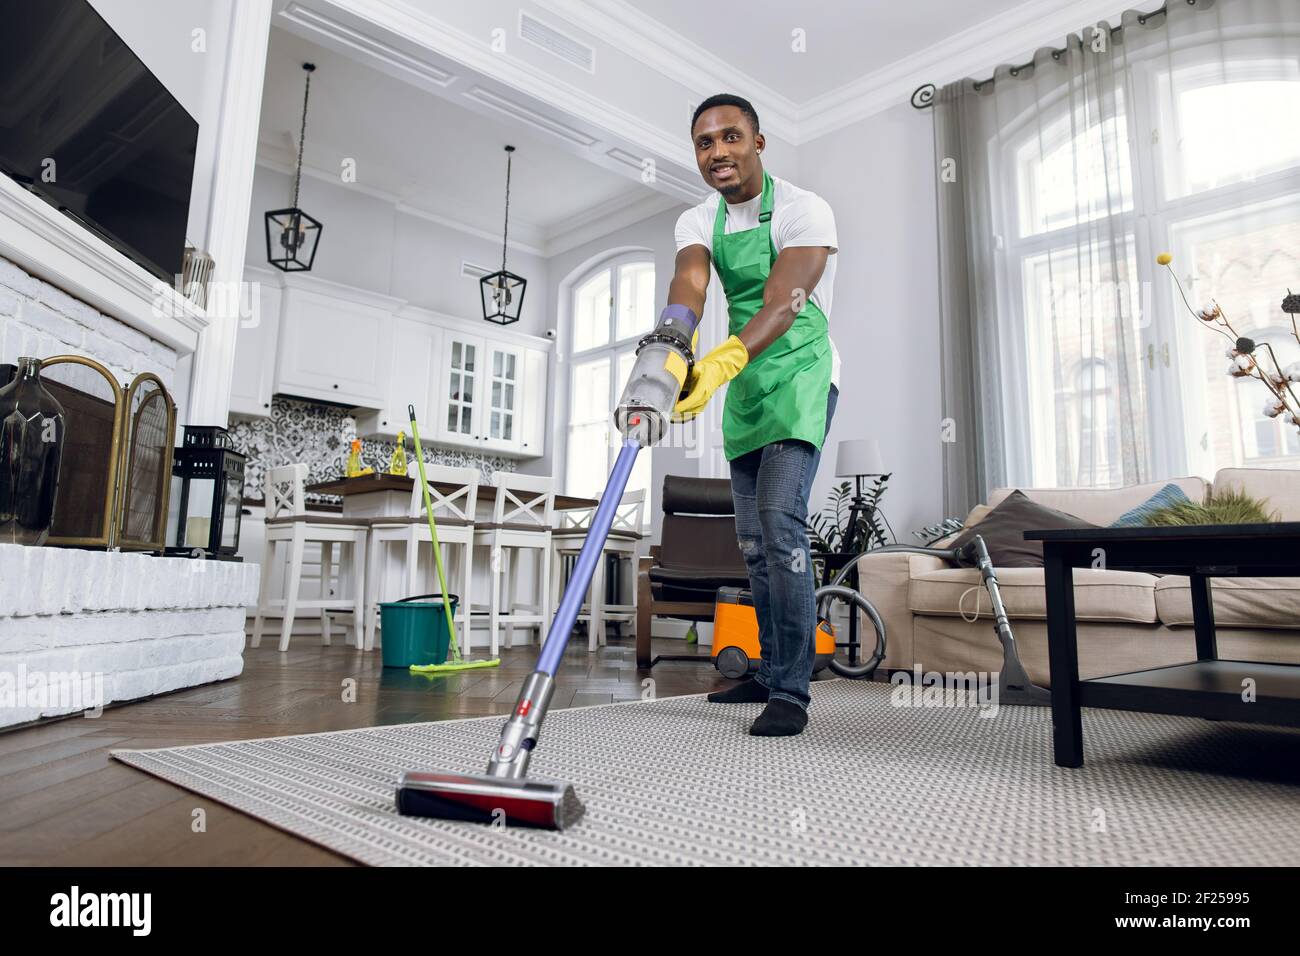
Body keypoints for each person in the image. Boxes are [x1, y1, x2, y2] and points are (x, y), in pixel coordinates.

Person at [668, 93, 840, 737]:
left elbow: (786, 298)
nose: (719, 152)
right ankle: (768, 670)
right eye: (705, 143)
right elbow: (690, 283)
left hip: (798, 373)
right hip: (743, 384)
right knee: (753, 546)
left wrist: (717, 362)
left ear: (759, 142)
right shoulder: (698, 220)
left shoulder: (803, 209)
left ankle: (792, 691)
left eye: (731, 137)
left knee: (780, 525)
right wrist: (673, 347)